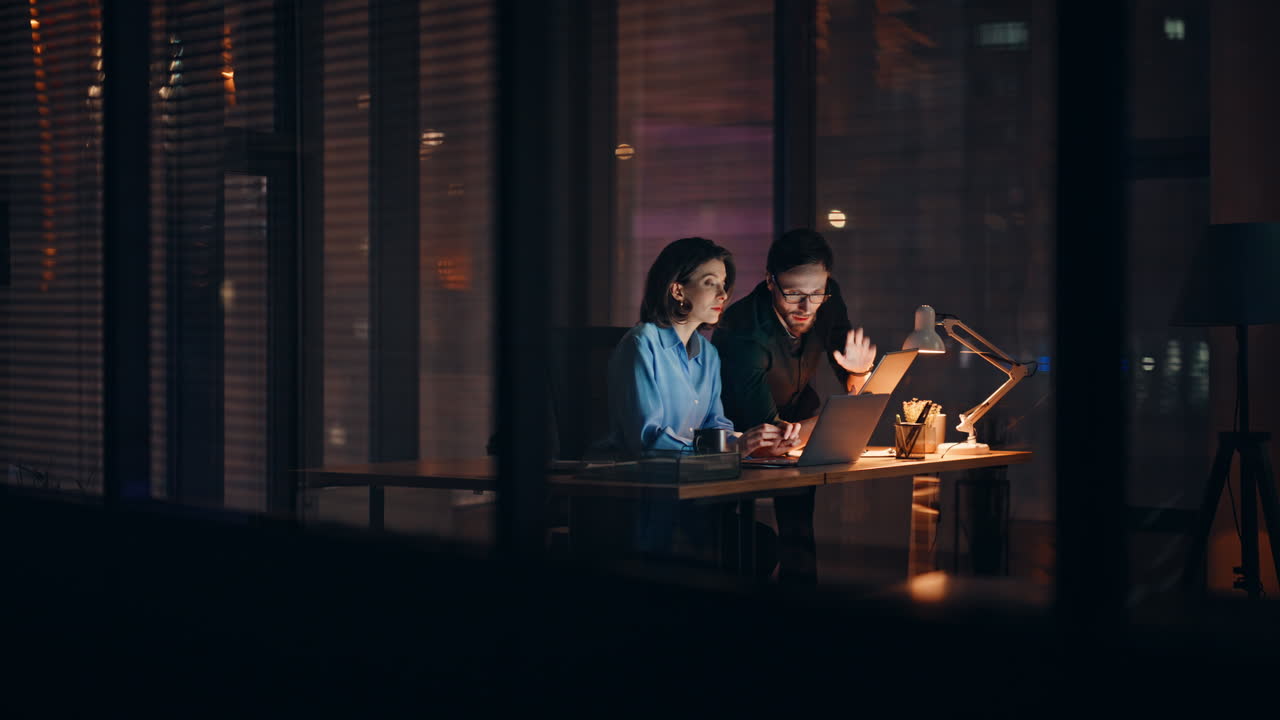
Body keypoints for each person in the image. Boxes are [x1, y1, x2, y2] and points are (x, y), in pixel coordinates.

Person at [605, 236, 798, 561]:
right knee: (747, 551)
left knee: (760, 546)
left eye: (724, 284)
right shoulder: (641, 345)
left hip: (697, 495)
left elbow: (716, 426)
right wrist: (731, 447)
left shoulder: (707, 353)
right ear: (677, 290)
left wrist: (758, 443)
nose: (723, 295)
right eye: (710, 284)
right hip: (647, 501)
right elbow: (648, 441)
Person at [711, 228, 877, 584]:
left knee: (799, 532)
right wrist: (846, 409)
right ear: (770, 281)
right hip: (737, 438)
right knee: (738, 552)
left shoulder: (826, 299)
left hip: (799, 416)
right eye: (793, 294)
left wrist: (859, 375)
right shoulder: (743, 330)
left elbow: (849, 371)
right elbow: (768, 439)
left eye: (816, 293)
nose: (806, 307)